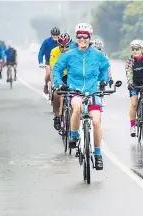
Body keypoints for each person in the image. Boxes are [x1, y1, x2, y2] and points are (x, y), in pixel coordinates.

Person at [53, 23, 110, 170]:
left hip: (92, 92)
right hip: (75, 91)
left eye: (85, 37)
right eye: (79, 37)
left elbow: (105, 68)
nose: (82, 39)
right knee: (77, 106)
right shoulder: (69, 55)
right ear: (76, 38)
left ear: (90, 38)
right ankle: (74, 135)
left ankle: (97, 155)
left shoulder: (97, 55)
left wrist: (104, 81)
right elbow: (57, 69)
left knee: (96, 121)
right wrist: (59, 83)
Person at [50, 33, 73, 131]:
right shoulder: (54, 52)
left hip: (72, 77)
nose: (64, 49)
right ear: (58, 45)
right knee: (56, 94)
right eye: (62, 47)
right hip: (60, 76)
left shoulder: (75, 51)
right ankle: (57, 117)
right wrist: (55, 84)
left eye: (67, 46)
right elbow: (53, 69)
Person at [91, 39, 114, 107]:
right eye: (95, 48)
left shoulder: (104, 55)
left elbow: (107, 67)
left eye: (99, 48)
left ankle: (101, 96)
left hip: (100, 74)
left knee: (102, 84)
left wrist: (110, 78)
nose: (97, 50)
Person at [38, 27, 60, 94]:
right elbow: (41, 52)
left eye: (57, 35)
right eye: (54, 35)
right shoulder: (46, 42)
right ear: (51, 34)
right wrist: (40, 62)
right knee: (48, 73)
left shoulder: (61, 41)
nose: (55, 36)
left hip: (59, 62)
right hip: (49, 62)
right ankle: (46, 84)